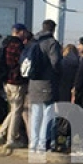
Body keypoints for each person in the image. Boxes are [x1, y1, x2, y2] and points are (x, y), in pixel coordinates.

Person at [27, 20, 62, 156]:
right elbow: (56, 62)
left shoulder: (33, 41)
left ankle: (33, 143)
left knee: (35, 114)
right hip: (47, 82)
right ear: (53, 29)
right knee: (47, 114)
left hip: (33, 82)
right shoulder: (51, 43)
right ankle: (42, 144)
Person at [0, 24, 28, 148]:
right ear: (20, 32)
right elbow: (22, 63)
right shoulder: (18, 46)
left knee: (13, 110)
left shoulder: (5, 44)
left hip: (6, 81)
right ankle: (11, 139)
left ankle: (0, 134)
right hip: (16, 81)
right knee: (17, 111)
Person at [53, 43, 80, 153]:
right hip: (72, 94)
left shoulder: (62, 63)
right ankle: (71, 143)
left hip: (61, 93)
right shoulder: (78, 62)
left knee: (60, 120)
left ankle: (60, 143)